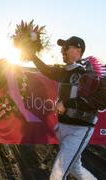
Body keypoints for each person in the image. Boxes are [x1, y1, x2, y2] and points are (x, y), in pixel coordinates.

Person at [30, 36, 106, 180]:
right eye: (62, 48)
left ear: (78, 50)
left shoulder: (91, 72)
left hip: (79, 129)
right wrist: (32, 56)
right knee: (75, 168)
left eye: (65, 47)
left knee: (57, 174)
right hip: (63, 126)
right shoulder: (66, 71)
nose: (61, 50)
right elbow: (46, 70)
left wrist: (67, 103)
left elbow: (101, 101)